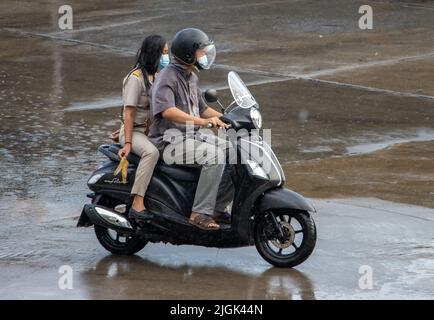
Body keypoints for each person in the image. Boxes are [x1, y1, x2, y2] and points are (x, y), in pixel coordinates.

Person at [148, 28, 235, 231]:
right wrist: (203, 122)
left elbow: (203, 109)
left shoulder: (191, 77)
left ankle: (217, 208)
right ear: (189, 53)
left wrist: (229, 119)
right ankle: (198, 214)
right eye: (201, 52)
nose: (204, 56)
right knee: (214, 156)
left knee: (235, 151)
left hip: (191, 137)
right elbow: (167, 111)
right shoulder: (167, 78)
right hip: (169, 142)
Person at [117, 35, 169, 220]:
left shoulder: (157, 76)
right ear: (154, 53)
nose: (166, 56)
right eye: (163, 53)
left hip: (151, 131)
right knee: (151, 153)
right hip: (136, 132)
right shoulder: (136, 78)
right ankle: (138, 203)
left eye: (167, 52)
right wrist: (128, 142)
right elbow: (128, 113)